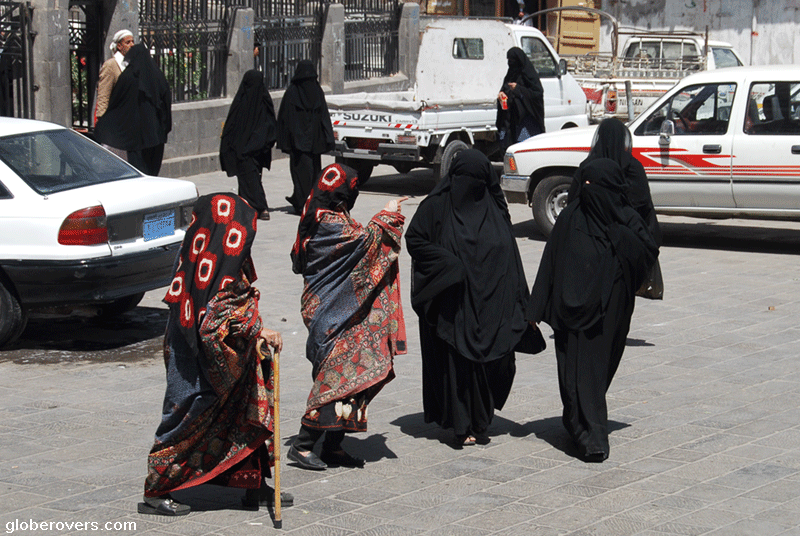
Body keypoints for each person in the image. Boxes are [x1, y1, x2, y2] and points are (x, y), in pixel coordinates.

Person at [139, 193, 292, 516]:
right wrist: (256, 330)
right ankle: (158, 489)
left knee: (242, 415)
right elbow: (213, 321)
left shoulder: (213, 250)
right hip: (194, 355)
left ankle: (250, 483)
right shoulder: (215, 258)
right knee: (187, 411)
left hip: (233, 356)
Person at [527, 151, 659, 462]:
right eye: (583, 183)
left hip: (609, 316)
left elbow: (645, 255)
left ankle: (583, 424)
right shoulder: (571, 218)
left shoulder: (626, 221)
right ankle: (590, 435)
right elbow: (550, 263)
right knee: (574, 377)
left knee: (595, 376)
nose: (587, 189)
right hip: (570, 315)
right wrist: (534, 311)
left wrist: (618, 236)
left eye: (594, 184)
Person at [406, 150, 543, 447]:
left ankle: (481, 421)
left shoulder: (495, 209)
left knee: (492, 362)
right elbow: (415, 239)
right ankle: (461, 424)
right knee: (458, 362)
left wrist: (524, 302)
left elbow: (513, 259)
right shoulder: (436, 206)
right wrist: (447, 264)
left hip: (492, 301)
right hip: (454, 304)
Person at [287, 163, 406, 470]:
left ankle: (334, 443)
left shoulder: (322, 211)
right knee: (334, 374)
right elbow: (365, 244)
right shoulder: (327, 221)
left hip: (338, 310)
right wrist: (388, 214)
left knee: (353, 372)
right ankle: (302, 445)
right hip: (329, 312)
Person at [567, 118, 662, 246]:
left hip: (591, 235)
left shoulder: (588, 166)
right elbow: (643, 203)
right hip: (629, 237)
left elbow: (573, 200)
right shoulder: (632, 166)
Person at [95, 43, 171, 176]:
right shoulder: (158, 78)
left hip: (134, 138)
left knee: (138, 173)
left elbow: (116, 104)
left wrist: (104, 125)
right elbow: (166, 106)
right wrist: (164, 130)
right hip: (156, 137)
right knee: (152, 173)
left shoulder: (126, 78)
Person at [277, 60, 335, 214]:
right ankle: (310, 201)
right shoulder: (316, 91)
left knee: (299, 174)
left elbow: (284, 119)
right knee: (314, 173)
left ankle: (302, 201)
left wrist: (285, 140)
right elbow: (324, 116)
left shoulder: (292, 92)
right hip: (314, 143)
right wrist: (328, 137)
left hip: (298, 143)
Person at [220, 70, 277, 221]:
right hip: (242, 150)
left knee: (252, 178)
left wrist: (257, 144)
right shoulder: (242, 102)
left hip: (257, 149)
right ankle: (251, 207)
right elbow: (231, 126)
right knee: (247, 178)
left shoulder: (263, 102)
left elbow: (270, 126)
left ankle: (259, 206)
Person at [94, 30, 135, 159]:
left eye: (133, 41)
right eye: (128, 42)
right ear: (119, 46)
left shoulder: (131, 64)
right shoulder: (111, 65)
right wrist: (102, 119)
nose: (132, 45)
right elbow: (103, 94)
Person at [497, 47, 545, 152]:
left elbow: (537, 94)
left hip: (526, 122)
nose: (510, 63)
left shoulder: (529, 75)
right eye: (509, 60)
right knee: (508, 149)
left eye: (513, 60)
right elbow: (505, 89)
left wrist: (518, 89)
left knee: (523, 150)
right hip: (510, 120)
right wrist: (501, 95)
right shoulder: (510, 74)